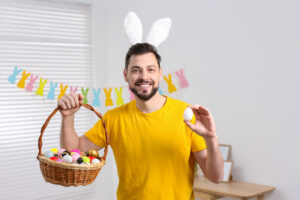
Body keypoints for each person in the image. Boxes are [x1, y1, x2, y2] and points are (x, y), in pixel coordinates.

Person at [58, 43, 224, 200]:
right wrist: (68, 117)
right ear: (126, 75)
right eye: (136, 70)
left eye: (150, 70)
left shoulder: (186, 114)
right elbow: (73, 152)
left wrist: (211, 138)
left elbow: (215, 177)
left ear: (160, 74)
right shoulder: (113, 119)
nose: (144, 77)